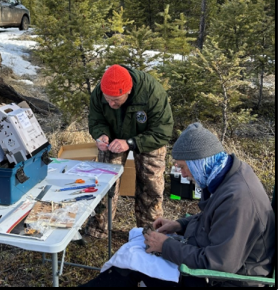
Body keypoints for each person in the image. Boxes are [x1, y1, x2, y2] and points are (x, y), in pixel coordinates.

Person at [80, 122, 275, 287]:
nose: (181, 174)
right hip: (212, 258)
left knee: (133, 264)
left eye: (182, 166)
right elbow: (215, 218)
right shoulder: (228, 174)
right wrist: (181, 225)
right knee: (136, 250)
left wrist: (166, 246)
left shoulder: (238, 200)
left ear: (199, 162)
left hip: (225, 280)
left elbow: (220, 264)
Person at [85, 64, 174, 238]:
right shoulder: (99, 91)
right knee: (105, 181)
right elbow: (96, 120)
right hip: (114, 138)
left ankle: (150, 232)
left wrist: (131, 142)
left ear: (128, 91)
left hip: (148, 137)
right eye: (107, 99)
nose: (110, 103)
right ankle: (98, 229)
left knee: (150, 184)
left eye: (116, 100)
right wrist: (101, 135)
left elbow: (162, 132)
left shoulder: (152, 92)